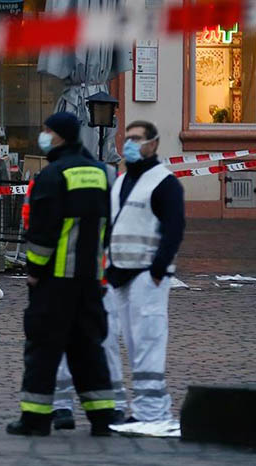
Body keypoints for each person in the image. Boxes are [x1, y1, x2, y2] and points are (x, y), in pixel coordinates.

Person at [7, 112, 115, 437]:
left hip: (55, 281)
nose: (43, 135)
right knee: (89, 348)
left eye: (47, 131)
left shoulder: (53, 175)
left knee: (43, 349)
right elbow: (110, 225)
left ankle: (35, 419)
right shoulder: (102, 173)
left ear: (60, 136)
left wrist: (35, 271)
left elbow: (42, 232)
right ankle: (102, 417)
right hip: (90, 279)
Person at [106, 120, 185, 424]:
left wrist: (158, 270)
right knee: (124, 340)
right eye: (127, 138)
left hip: (147, 276)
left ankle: (151, 412)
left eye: (137, 139)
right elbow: (113, 225)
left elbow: (174, 229)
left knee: (148, 345)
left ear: (153, 143)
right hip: (119, 274)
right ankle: (134, 409)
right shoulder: (121, 179)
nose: (130, 144)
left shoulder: (164, 182)